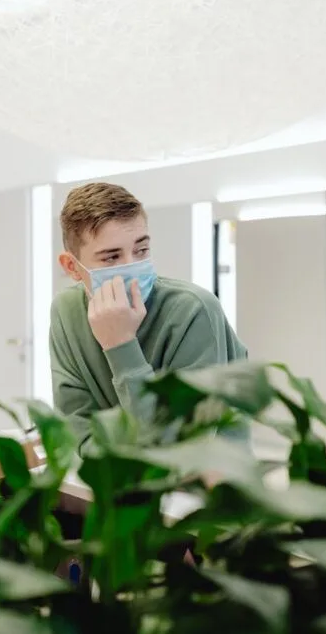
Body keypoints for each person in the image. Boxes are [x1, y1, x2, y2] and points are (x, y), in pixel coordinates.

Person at [49, 182, 248, 455]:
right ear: (72, 266)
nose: (131, 266)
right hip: (113, 479)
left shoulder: (194, 310)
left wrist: (120, 345)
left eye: (141, 250)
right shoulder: (66, 311)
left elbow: (184, 445)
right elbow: (77, 432)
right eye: (111, 257)